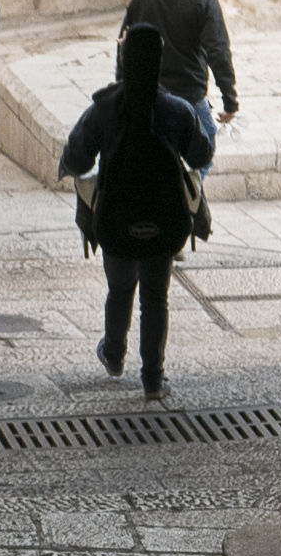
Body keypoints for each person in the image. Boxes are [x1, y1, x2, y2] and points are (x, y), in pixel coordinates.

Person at [57, 24, 215, 403]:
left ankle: (114, 354)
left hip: (115, 220)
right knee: (155, 298)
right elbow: (201, 154)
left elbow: (77, 157)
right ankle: (153, 378)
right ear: (159, 62)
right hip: (165, 221)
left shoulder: (104, 109)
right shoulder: (176, 110)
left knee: (120, 288)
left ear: (124, 59)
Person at [121, 0, 239, 140]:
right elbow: (218, 52)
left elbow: (125, 43)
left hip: (148, 92)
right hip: (189, 94)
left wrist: (124, 87)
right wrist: (230, 101)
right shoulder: (205, 0)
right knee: (205, 143)